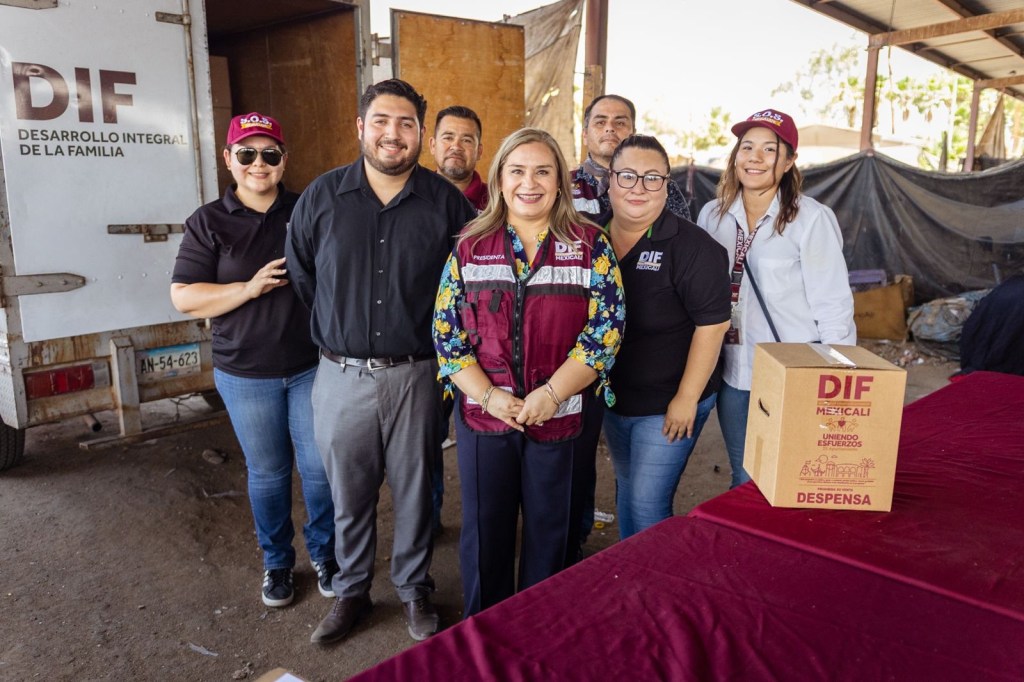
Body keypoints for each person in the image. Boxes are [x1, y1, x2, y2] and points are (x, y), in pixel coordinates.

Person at [286, 80, 477, 645]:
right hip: (340, 374)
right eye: (382, 121)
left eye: (406, 124)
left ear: (420, 133)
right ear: (361, 127)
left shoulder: (447, 204)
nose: (393, 134)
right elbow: (304, 278)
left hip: (418, 374)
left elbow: (465, 287)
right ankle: (352, 593)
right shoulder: (321, 198)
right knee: (348, 489)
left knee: (418, 488)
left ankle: (415, 588)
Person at [433, 127, 625, 616]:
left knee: (551, 536)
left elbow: (605, 332)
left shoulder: (590, 246)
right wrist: (492, 396)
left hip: (559, 419)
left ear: (561, 182)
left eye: (543, 171)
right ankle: (484, 636)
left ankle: (540, 635)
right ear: (500, 179)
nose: (529, 182)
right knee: (484, 536)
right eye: (517, 171)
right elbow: (446, 334)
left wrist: (551, 395)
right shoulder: (469, 247)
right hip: (484, 419)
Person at [170, 112, 337, 609]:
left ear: (283, 160)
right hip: (245, 373)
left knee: (320, 469)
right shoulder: (208, 221)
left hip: (311, 365)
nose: (257, 164)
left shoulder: (308, 208)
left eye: (269, 154)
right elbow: (184, 297)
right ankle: (278, 564)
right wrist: (248, 287)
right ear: (229, 159)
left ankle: (326, 556)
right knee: (267, 472)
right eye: (246, 154)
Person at [697, 108, 856, 488]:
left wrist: (839, 379)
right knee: (745, 477)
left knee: (795, 474)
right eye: (746, 147)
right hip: (734, 371)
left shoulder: (810, 219)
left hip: (794, 372)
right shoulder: (712, 216)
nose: (755, 157)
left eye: (769, 149)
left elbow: (833, 304)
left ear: (788, 162)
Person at [602, 135, 732, 539]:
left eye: (651, 178)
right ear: (609, 181)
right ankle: (631, 574)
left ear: (666, 185)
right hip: (615, 399)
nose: (638, 187)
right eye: (627, 176)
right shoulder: (590, 240)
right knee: (627, 489)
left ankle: (654, 590)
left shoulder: (695, 248)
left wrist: (686, 398)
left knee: (647, 502)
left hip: (669, 402)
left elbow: (713, 326)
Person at [572, 94, 691, 223]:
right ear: (585, 135)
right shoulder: (563, 187)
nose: (610, 128)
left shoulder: (662, 187)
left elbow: (684, 238)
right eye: (600, 122)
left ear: (632, 134)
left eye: (620, 123)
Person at [430, 105, 488, 211]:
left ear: (479, 151)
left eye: (466, 140)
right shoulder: (411, 197)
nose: (456, 147)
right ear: (433, 145)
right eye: (448, 138)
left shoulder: (498, 204)